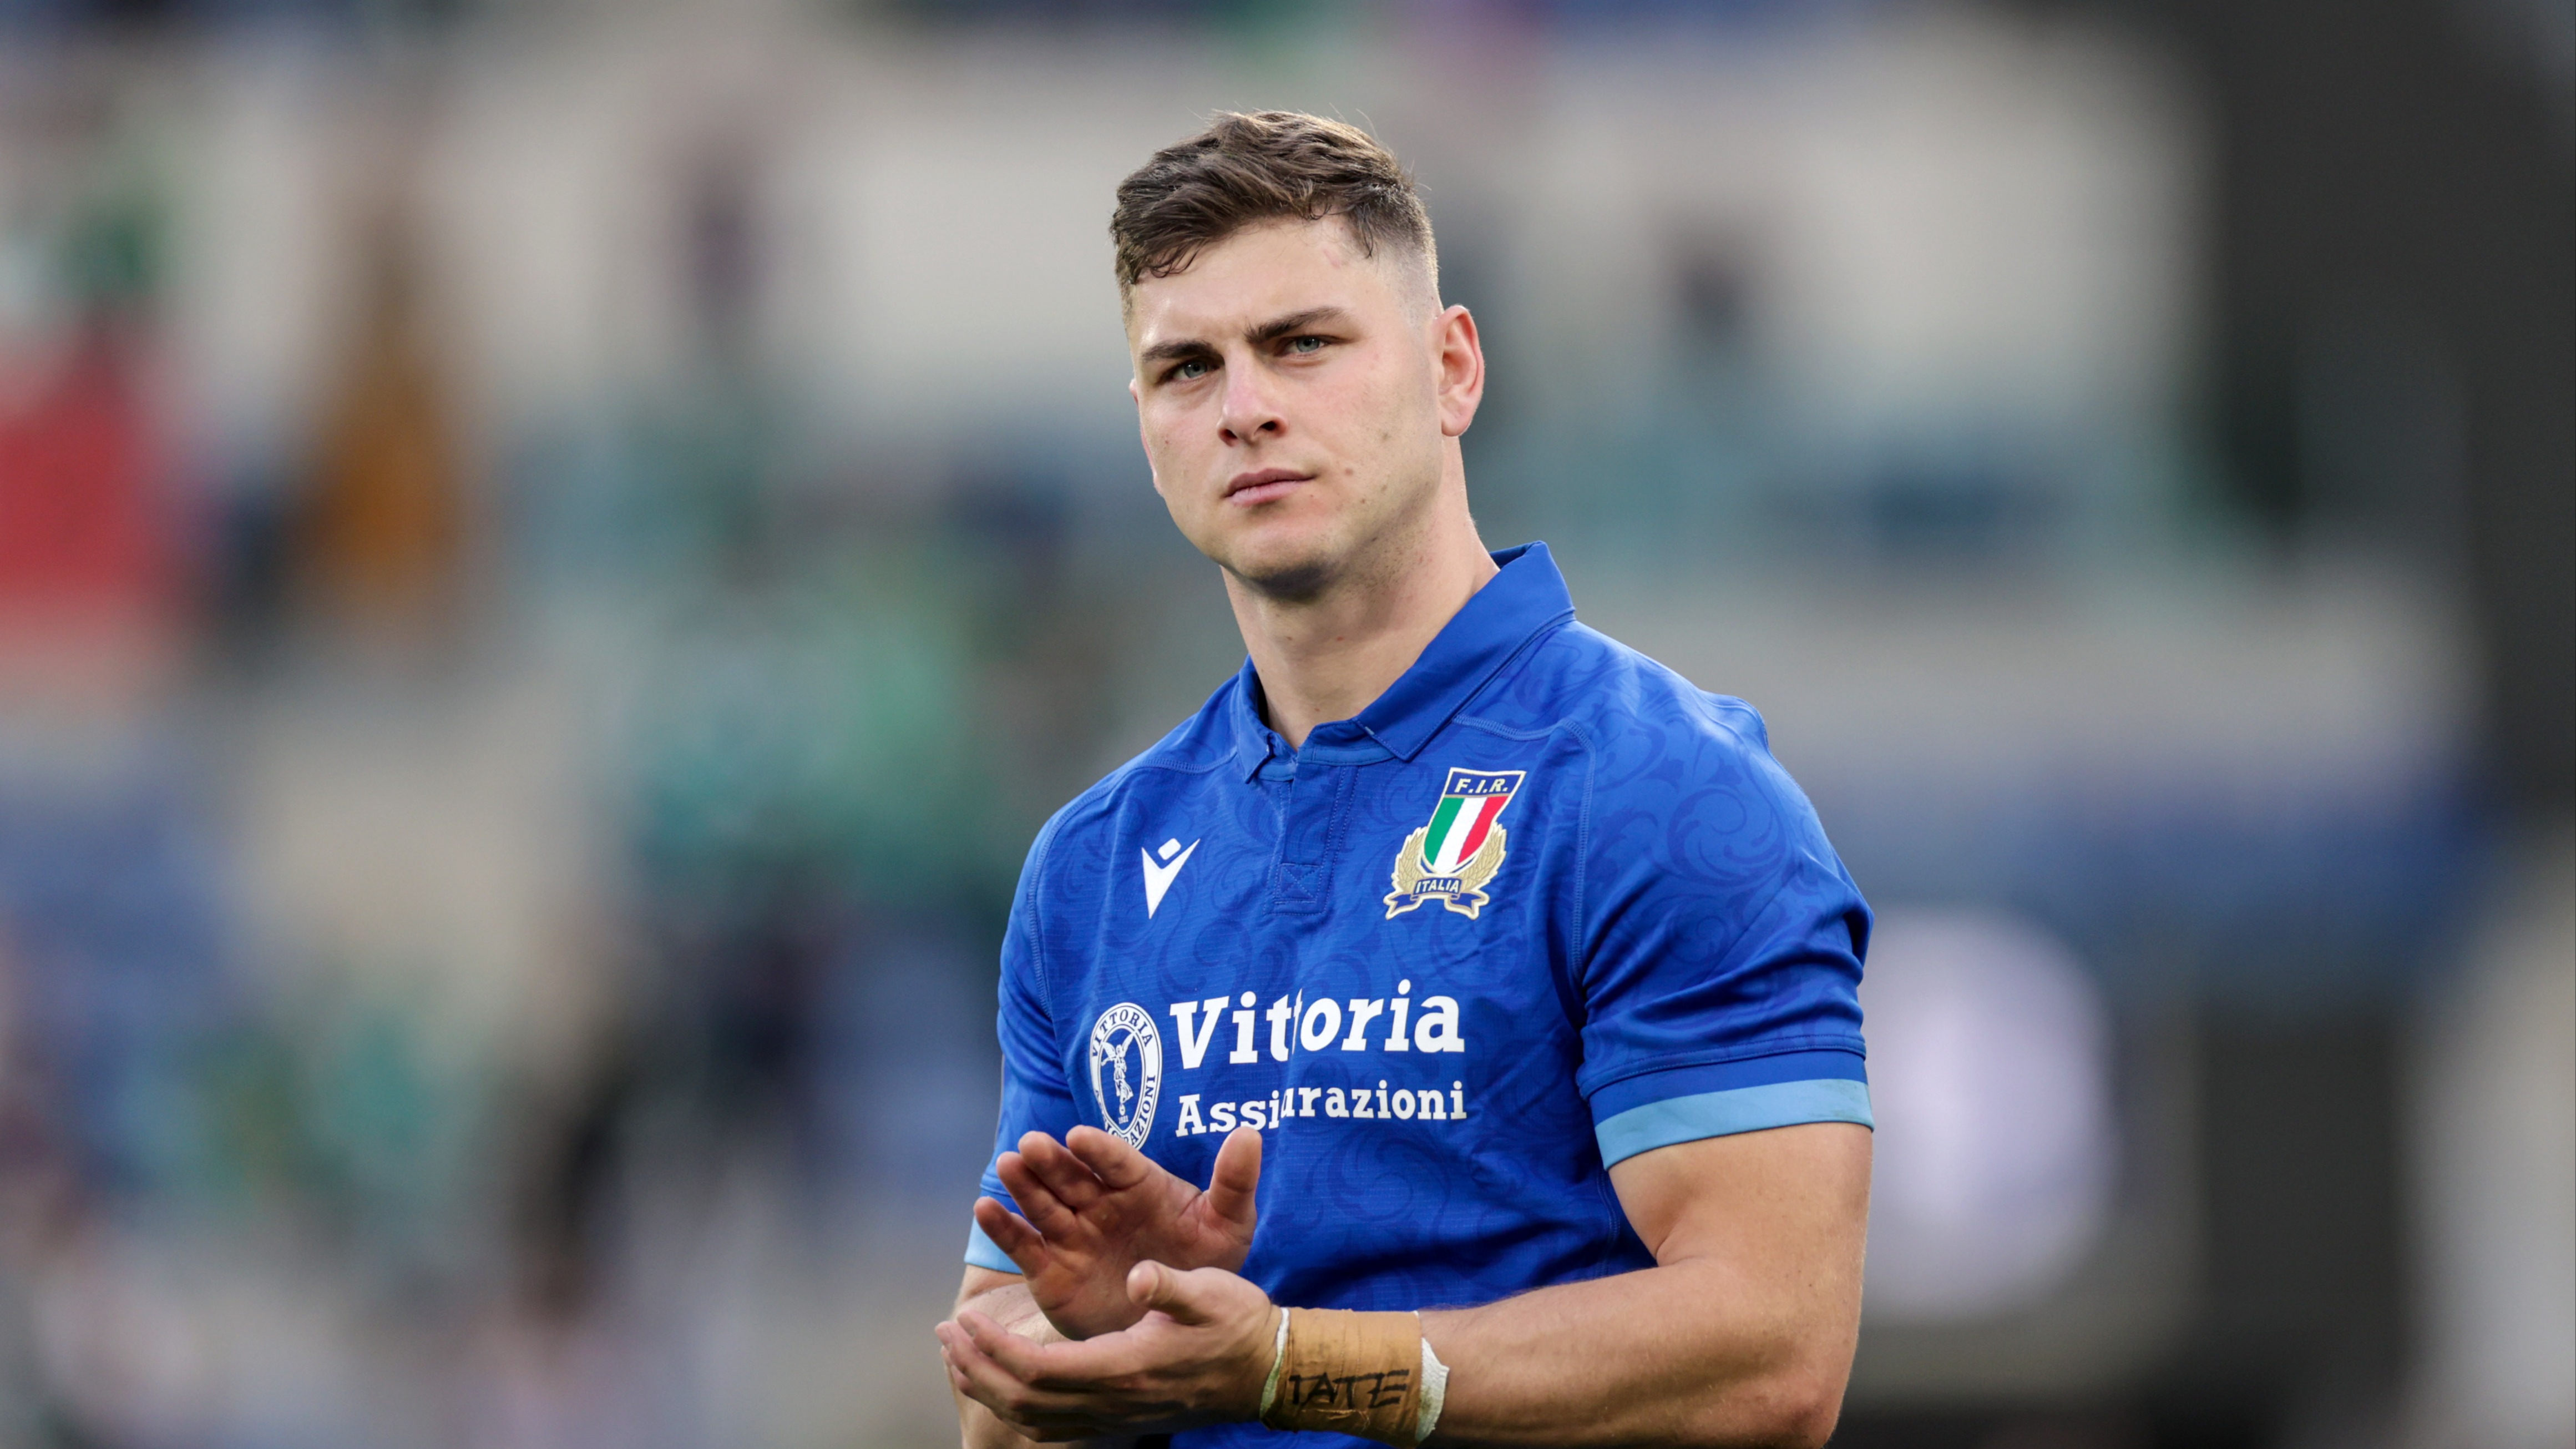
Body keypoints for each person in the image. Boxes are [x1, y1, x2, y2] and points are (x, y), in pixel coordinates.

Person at [935, 111, 1874, 1449]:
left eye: (1302, 344)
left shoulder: (1670, 796)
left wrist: (1280, 1360)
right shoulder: (1091, 862)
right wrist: (1103, 1335)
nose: (1245, 404)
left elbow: (1773, 1359)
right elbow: (997, 1409)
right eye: (1184, 368)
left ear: (1451, 369)